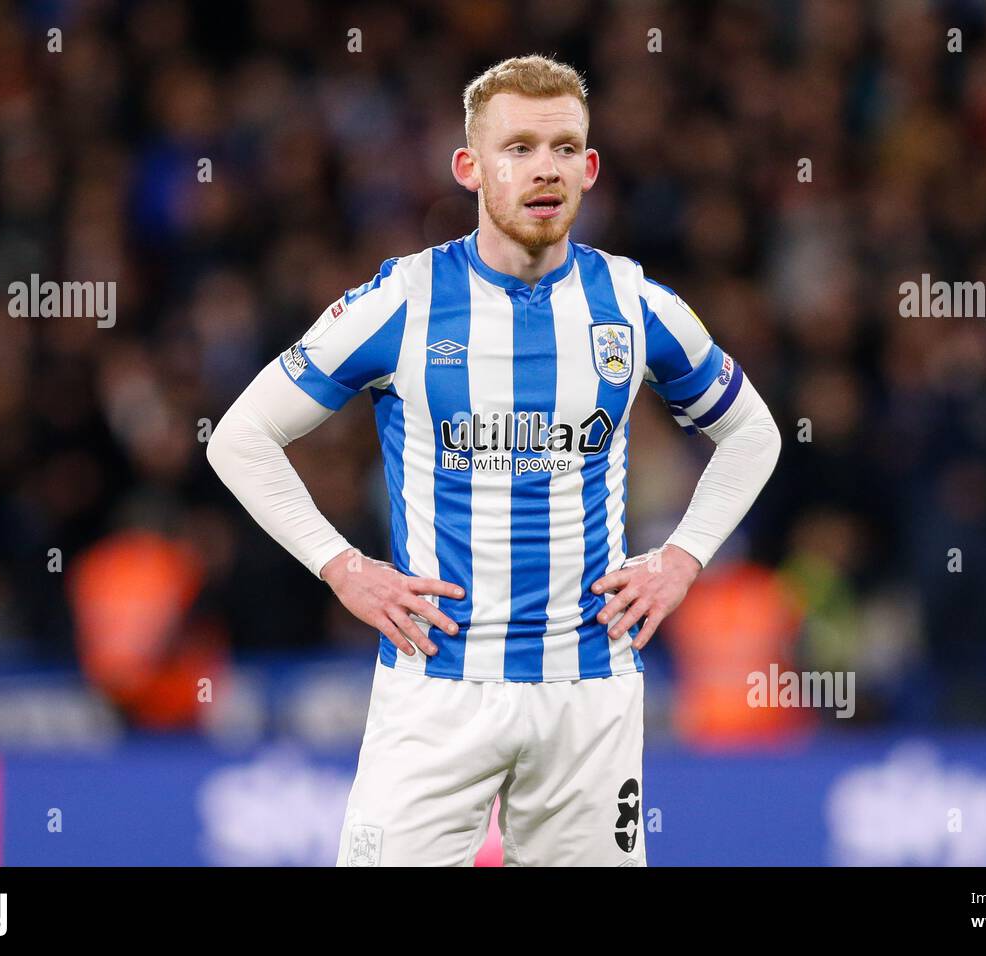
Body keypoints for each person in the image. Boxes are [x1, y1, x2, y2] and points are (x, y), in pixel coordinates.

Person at [207, 54, 781, 866]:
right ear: (470, 168)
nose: (542, 168)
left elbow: (754, 434)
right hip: (438, 687)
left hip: (587, 690)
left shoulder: (634, 303)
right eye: (516, 148)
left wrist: (681, 560)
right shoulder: (402, 301)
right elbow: (240, 437)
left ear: (588, 168)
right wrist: (341, 566)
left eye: (561, 147)